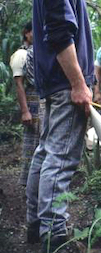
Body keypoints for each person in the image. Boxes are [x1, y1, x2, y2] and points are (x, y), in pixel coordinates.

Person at [25, 0, 96, 253]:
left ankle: (36, 227)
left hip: (54, 86)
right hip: (65, 86)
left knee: (45, 154)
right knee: (60, 159)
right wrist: (79, 85)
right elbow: (60, 34)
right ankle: (55, 237)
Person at [10, 22, 44, 186]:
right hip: (31, 99)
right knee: (32, 141)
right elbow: (19, 84)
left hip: (44, 98)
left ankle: (41, 181)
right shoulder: (21, 55)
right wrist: (25, 111)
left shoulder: (39, 52)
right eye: (33, 32)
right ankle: (28, 182)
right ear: (26, 34)